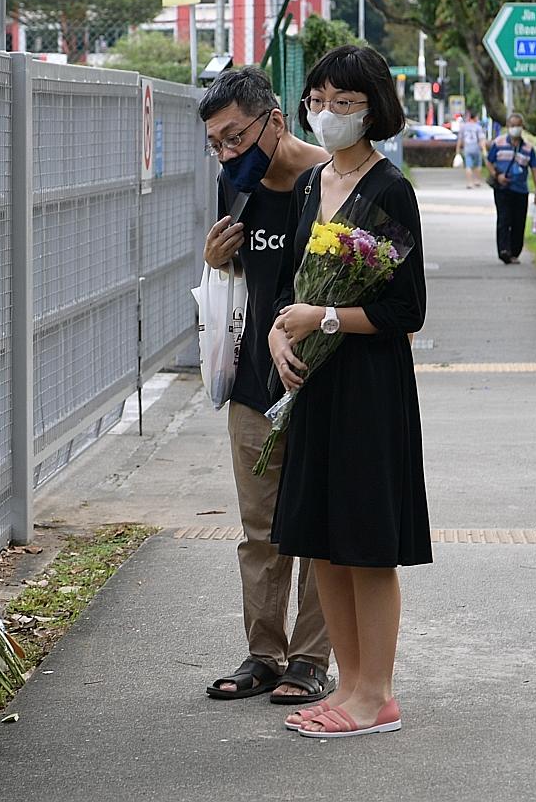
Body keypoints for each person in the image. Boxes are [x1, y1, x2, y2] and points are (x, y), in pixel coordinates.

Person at [267, 45, 430, 739]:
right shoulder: (312, 184)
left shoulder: (389, 189)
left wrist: (325, 318)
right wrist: (280, 335)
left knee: (366, 544)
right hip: (315, 384)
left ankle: (377, 696)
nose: (327, 112)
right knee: (323, 541)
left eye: (344, 102)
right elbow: (292, 288)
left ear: (374, 109)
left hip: (368, 388)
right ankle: (349, 685)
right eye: (318, 99)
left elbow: (405, 310)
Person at [200, 67, 334, 705]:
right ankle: (264, 654)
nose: (227, 153)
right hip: (255, 381)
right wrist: (215, 260)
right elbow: (239, 276)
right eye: (216, 144)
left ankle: (310, 659)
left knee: (318, 527)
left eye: (234, 137)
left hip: (321, 380)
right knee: (261, 529)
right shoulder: (236, 184)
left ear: (274, 121)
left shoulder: (330, 181)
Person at [484, 113, 536, 264]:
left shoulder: (528, 148)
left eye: (518, 125)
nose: (515, 128)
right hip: (503, 189)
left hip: (520, 190)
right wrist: (497, 175)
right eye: (512, 125)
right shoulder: (499, 143)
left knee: (518, 222)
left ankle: (514, 252)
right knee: (504, 219)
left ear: (522, 127)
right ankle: (504, 250)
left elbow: (535, 169)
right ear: (508, 127)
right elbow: (489, 161)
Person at [457, 113, 487, 188]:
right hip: (476, 148)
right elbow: (481, 139)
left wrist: (458, 150)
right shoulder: (478, 127)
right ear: (475, 118)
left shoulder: (464, 127)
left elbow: (460, 139)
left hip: (467, 148)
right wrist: (484, 150)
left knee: (468, 166)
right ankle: (477, 180)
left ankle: (469, 183)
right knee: (477, 165)